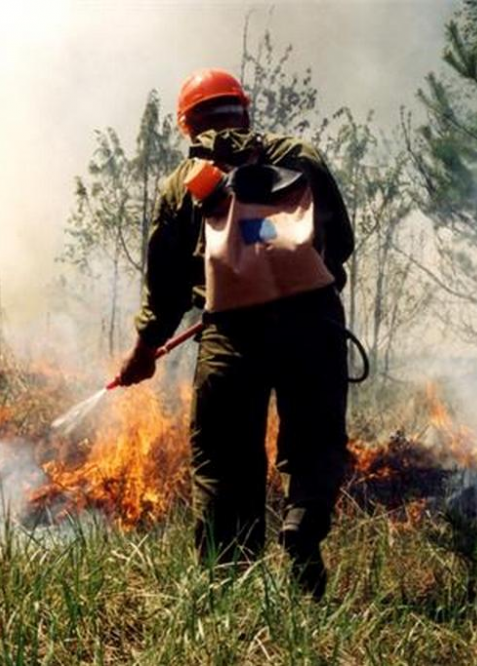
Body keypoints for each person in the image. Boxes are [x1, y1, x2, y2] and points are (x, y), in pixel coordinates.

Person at [117, 68, 354, 599]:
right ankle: (302, 525)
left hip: (231, 340)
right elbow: (340, 241)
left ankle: (229, 588)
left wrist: (143, 352)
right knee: (314, 444)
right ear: (243, 111)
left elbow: (166, 289)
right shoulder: (300, 157)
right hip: (314, 327)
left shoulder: (184, 184)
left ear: (187, 125)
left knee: (225, 463)